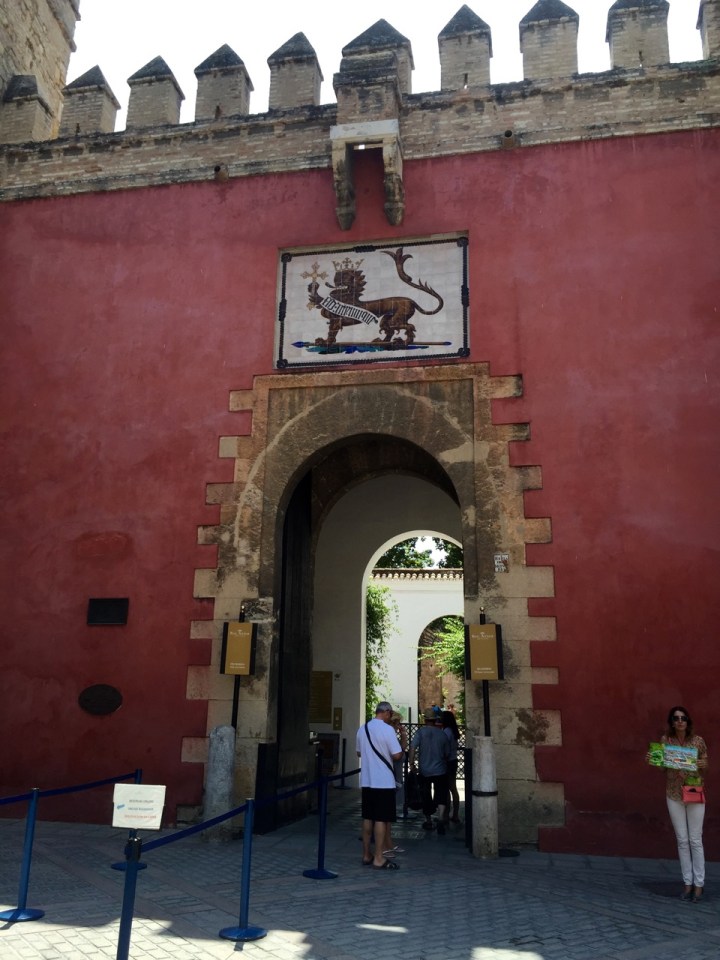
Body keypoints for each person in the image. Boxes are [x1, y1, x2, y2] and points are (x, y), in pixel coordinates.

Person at [646, 706, 708, 901]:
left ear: (688, 721)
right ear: (672, 722)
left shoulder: (698, 741)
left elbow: (705, 765)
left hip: (693, 792)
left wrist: (703, 764)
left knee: (695, 839)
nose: (680, 721)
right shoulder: (667, 741)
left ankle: (699, 884)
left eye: (683, 718)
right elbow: (664, 767)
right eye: (676, 718)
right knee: (682, 840)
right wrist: (653, 759)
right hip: (673, 794)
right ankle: (687, 883)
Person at [356, 701, 403, 869]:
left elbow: (359, 752)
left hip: (367, 780)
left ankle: (366, 854)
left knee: (368, 817)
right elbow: (397, 755)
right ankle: (378, 858)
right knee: (381, 819)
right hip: (383, 781)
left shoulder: (363, 729)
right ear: (387, 712)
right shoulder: (388, 730)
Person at [409, 706, 451, 834]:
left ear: (425, 719)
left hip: (424, 770)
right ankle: (441, 818)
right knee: (441, 794)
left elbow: (412, 748)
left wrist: (411, 763)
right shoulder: (442, 734)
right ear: (435, 719)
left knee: (426, 795)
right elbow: (447, 753)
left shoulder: (420, 733)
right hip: (440, 770)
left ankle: (428, 820)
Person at [441, 709, 461, 824]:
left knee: (447, 788)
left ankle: (446, 814)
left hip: (447, 761)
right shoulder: (453, 731)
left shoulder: (446, 732)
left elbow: (444, 747)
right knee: (453, 788)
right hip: (454, 760)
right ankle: (455, 814)